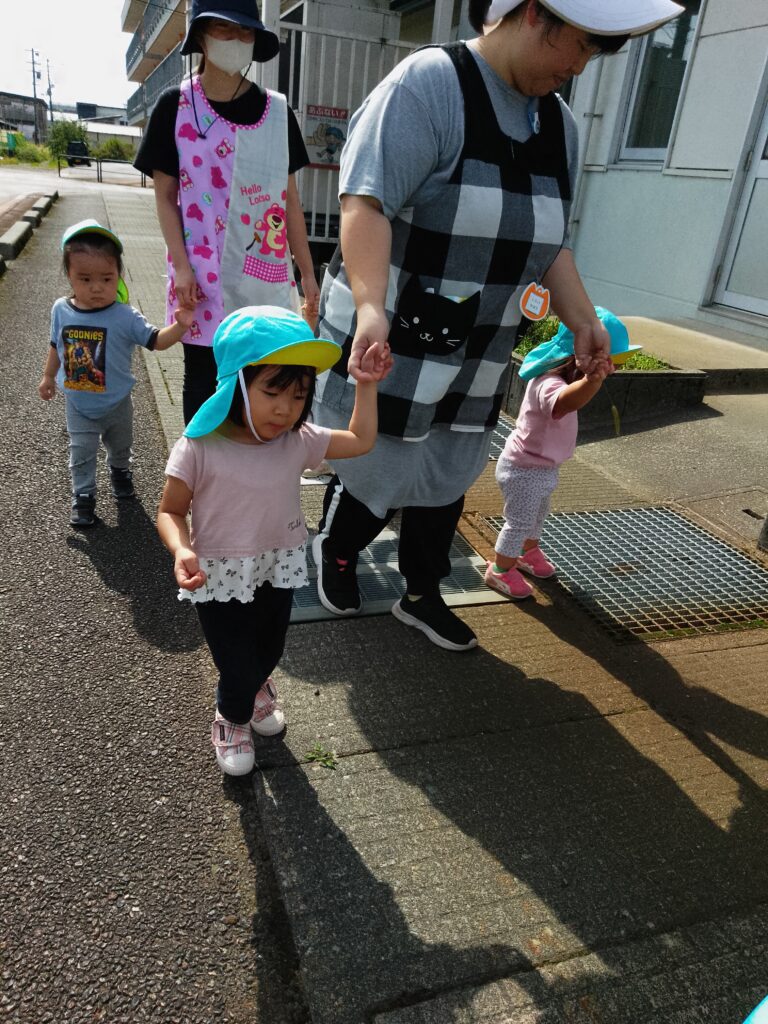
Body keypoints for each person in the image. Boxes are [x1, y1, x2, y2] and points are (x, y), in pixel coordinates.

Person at [311, 0, 683, 652]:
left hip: (479, 348)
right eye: (580, 44)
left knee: (447, 471)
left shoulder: (559, 126)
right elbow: (366, 202)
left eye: (594, 53)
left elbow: (550, 243)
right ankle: (336, 551)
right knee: (376, 467)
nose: (580, 66)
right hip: (396, 337)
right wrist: (370, 306)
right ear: (534, 12)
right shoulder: (430, 86)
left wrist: (583, 319)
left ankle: (421, 593)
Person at [156, 306, 391, 776]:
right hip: (217, 575)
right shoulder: (199, 446)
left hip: (277, 567)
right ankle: (232, 716)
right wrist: (182, 549)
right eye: (272, 392)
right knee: (235, 658)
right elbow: (170, 511)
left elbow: (361, 439)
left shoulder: (296, 440)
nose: (285, 409)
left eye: (299, 395)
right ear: (236, 384)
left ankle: (255, 687)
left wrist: (366, 384)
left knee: (270, 647)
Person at [134, 0, 320, 424]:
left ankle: (252, 461)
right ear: (200, 35)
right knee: (203, 380)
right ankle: (198, 463)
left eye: (245, 31)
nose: (236, 39)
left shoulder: (277, 112)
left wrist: (307, 272)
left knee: (264, 377)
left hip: (262, 270)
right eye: (224, 29)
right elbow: (165, 196)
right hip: (200, 276)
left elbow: (289, 200)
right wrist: (181, 268)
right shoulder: (175, 106)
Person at [39, 220, 193, 528]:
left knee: (120, 446)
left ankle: (120, 472)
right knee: (81, 452)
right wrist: (48, 376)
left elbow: (156, 341)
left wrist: (180, 326)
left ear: (119, 275)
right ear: (69, 276)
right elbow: (56, 344)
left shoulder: (124, 315)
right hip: (78, 403)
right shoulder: (61, 310)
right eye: (85, 279)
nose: (96, 287)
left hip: (118, 402)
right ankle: (83, 497)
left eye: (106, 278)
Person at [485, 308, 640, 598]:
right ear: (577, 356)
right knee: (519, 522)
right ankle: (500, 569)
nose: (615, 369)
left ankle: (527, 552)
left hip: (544, 467)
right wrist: (591, 381)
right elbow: (563, 404)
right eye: (611, 362)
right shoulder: (548, 383)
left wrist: (590, 380)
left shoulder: (568, 381)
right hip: (523, 468)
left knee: (537, 515)